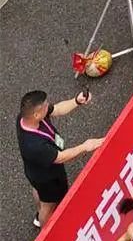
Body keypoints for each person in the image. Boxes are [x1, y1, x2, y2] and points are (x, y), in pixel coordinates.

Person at [17, 87, 101, 229]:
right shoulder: (34, 145)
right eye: (45, 107)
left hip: (34, 172)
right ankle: (45, 232)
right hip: (47, 177)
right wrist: (84, 146)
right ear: (37, 114)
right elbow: (60, 157)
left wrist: (76, 101)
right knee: (48, 205)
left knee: (39, 192)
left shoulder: (25, 117)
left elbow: (56, 109)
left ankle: (39, 214)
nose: (48, 106)